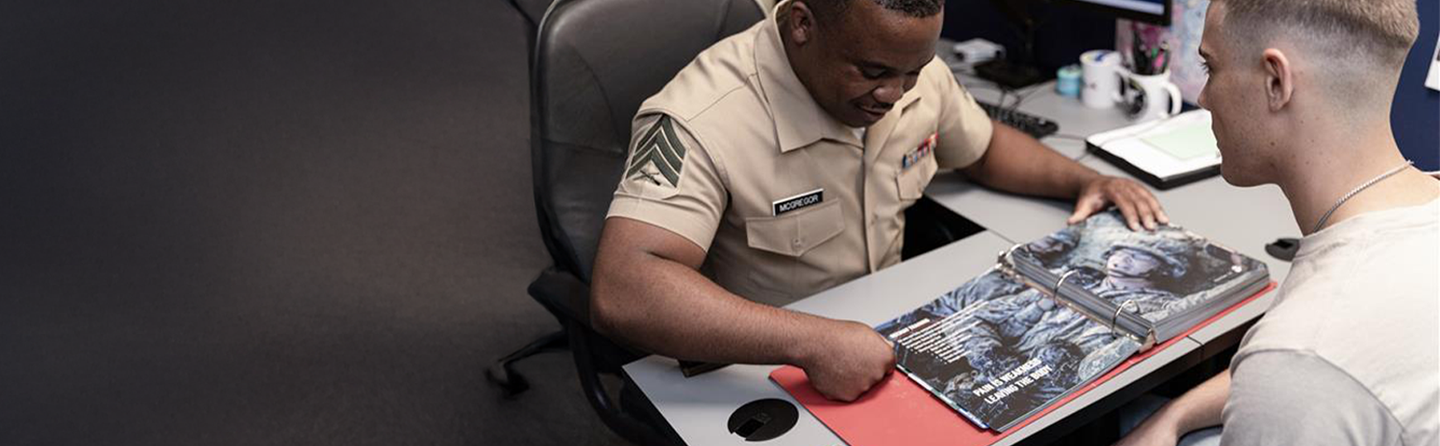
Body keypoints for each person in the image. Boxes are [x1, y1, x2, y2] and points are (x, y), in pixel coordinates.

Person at [589, 0, 1169, 402]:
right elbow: (625, 287)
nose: (893, 95)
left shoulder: (907, 68)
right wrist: (808, 339)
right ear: (801, 25)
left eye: (911, 72)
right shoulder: (701, 118)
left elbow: (985, 148)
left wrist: (1083, 181)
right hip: (762, 366)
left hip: (890, 344)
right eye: (872, 71)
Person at [1115, 0, 1439, 444]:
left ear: (1275, 81)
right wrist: (1177, 414)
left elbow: (1303, 365)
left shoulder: (1303, 351)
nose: (1204, 98)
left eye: (1210, 68)